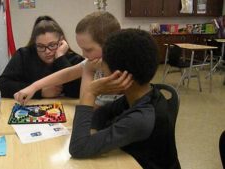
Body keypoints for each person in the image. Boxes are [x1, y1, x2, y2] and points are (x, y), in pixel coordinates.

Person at [69, 29, 181, 169]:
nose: (101, 69)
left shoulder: (141, 119)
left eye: (104, 63)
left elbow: (78, 148)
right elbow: (100, 114)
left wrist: (90, 92)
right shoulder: (140, 94)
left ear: (121, 76)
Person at [14, 11, 123, 106]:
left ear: (109, 44)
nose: (84, 54)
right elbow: (67, 74)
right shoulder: (95, 61)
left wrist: (88, 71)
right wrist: (34, 87)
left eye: (88, 50)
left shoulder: (118, 73)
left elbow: (87, 108)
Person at [0, 16, 84, 99]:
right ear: (34, 43)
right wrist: (40, 91)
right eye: (40, 46)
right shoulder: (24, 55)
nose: (47, 51)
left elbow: (80, 92)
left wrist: (60, 58)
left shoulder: (74, 59)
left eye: (52, 45)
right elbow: (2, 85)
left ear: (61, 41)